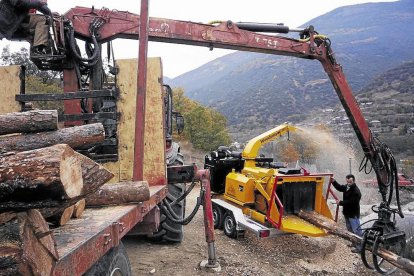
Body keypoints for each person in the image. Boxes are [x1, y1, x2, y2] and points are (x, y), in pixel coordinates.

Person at [331, 174, 363, 253]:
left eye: (350, 182)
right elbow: (340, 187)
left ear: (353, 181)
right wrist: (334, 182)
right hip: (347, 213)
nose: (348, 183)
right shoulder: (347, 187)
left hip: (353, 214)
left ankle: (360, 248)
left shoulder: (356, 191)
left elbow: (352, 202)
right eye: (347, 182)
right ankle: (354, 243)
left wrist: (340, 202)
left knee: (356, 231)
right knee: (350, 230)